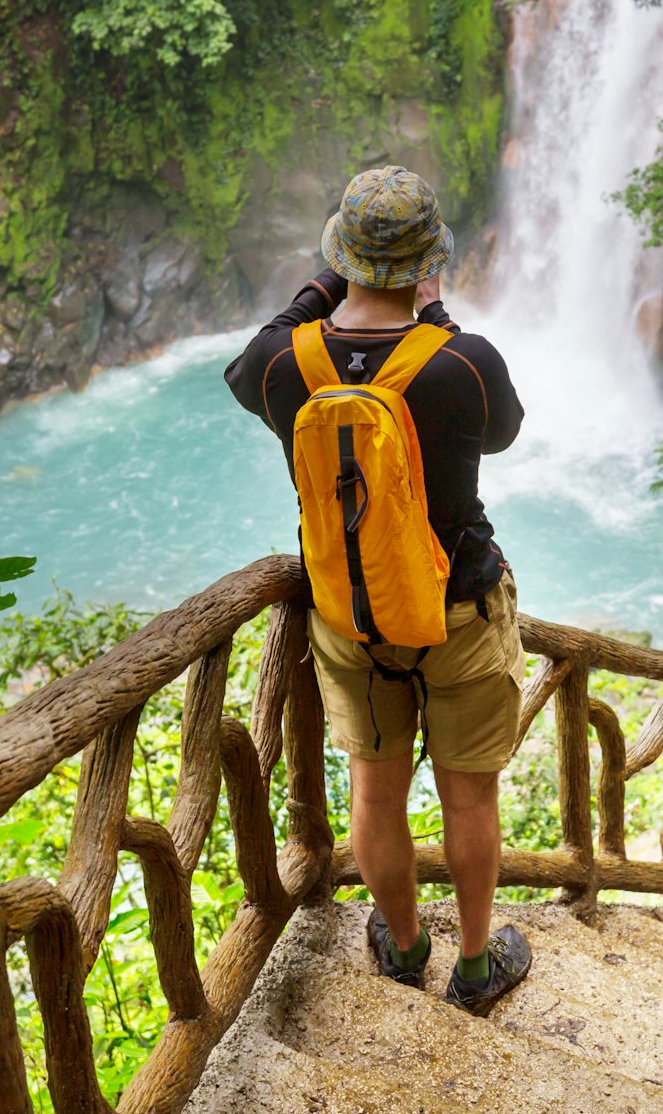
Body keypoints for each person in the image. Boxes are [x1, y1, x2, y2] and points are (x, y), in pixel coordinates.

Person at [224, 164, 532, 1015]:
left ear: (341, 258)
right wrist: (435, 315)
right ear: (427, 262)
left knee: (374, 787)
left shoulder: (289, 364)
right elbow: (502, 432)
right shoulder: (461, 361)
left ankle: (400, 947)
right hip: (457, 610)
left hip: (348, 615)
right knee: (469, 793)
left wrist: (325, 285)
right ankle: (476, 964)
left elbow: (249, 359)